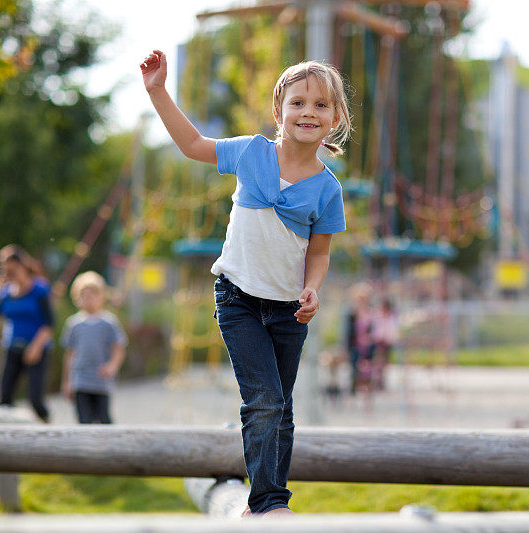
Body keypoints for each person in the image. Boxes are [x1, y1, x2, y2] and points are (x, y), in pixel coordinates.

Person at [140, 50, 350, 517]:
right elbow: (193, 144)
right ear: (279, 111)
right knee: (265, 400)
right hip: (238, 300)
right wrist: (157, 92)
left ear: (335, 118)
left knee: (282, 409)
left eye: (320, 105)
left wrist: (313, 287)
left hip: (288, 311)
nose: (308, 113)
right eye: (298, 103)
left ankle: (273, 496)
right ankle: (268, 504)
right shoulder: (252, 152)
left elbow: (319, 252)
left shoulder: (327, 188)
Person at [0, 245, 53, 422]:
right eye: (6, 270)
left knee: (35, 399)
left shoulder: (39, 290)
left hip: (36, 348)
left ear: (22, 266)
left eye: (13, 270)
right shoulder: (5, 293)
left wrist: (35, 347)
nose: (10, 274)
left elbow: (49, 323)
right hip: (12, 348)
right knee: (4, 398)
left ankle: (47, 425)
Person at [60, 271, 127, 424]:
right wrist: (66, 381)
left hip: (100, 381)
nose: (89, 300)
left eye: (93, 295)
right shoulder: (74, 324)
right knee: (84, 420)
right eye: (84, 295)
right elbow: (70, 354)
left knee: (104, 419)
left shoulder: (109, 322)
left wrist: (112, 366)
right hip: (81, 380)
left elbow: (118, 349)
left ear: (101, 297)